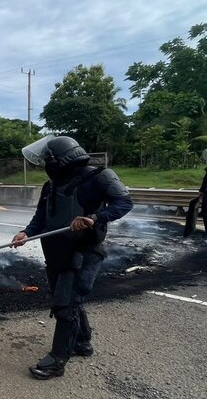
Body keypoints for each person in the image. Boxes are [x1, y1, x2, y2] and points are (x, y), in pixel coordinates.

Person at [11, 136, 133, 379]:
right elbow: (42, 217)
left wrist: (94, 218)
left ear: (62, 158)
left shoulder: (99, 177)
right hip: (56, 251)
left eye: (49, 159)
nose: (47, 164)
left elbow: (124, 202)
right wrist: (27, 232)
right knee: (68, 298)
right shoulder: (51, 186)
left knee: (66, 304)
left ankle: (57, 361)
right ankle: (82, 342)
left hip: (84, 251)